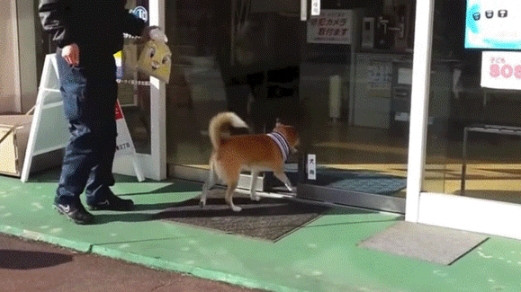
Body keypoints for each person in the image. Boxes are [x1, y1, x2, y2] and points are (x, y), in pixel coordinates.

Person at [38, 0, 160, 224]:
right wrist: (65, 40)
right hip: (77, 59)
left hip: (103, 57)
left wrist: (143, 29)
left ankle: (99, 192)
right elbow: (49, 8)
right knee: (86, 129)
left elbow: (112, 13)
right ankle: (66, 196)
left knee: (105, 130)